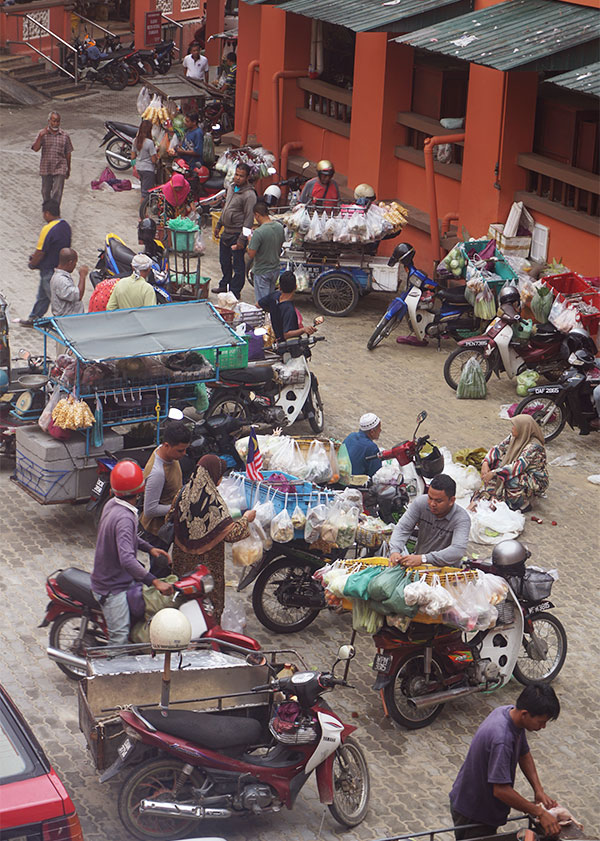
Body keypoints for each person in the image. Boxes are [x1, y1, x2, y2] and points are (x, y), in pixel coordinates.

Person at [449, 684, 561, 839]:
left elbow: (524, 753)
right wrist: (539, 812)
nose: (543, 726)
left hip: (479, 804)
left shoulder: (508, 712)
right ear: (525, 714)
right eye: (541, 722)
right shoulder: (502, 739)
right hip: (473, 811)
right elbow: (501, 790)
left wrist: (538, 790)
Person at [90, 460, 173, 645]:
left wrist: (149, 548)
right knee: (119, 640)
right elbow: (127, 559)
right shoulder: (125, 517)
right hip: (111, 588)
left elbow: (127, 539)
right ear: (140, 490)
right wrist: (155, 581)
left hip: (112, 578)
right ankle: (109, 673)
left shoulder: (112, 504)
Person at [170, 455, 256, 622]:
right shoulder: (214, 502)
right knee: (208, 605)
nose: (221, 479)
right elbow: (232, 534)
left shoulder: (183, 493)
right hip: (207, 566)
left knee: (184, 598)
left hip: (182, 560)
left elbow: (169, 516)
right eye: (220, 475)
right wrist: (246, 519)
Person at [469, 415, 549, 514]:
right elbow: (499, 448)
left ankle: (520, 503)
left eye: (515, 426)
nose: (512, 428)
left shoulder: (534, 447)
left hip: (535, 479)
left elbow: (518, 466)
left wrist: (494, 473)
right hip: (520, 470)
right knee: (495, 464)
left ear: (522, 428)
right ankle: (494, 494)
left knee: (512, 479)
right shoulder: (515, 436)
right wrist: (486, 462)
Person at [390, 474, 471, 568]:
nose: (432, 504)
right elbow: (402, 528)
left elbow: (457, 550)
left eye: (438, 501)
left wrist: (423, 559)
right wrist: (395, 551)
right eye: (430, 498)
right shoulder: (421, 503)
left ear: (451, 500)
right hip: (419, 566)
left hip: (447, 571)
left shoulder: (461, 519)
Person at [16, 199, 72, 327]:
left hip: (49, 270)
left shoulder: (48, 228)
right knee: (43, 296)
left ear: (47, 213)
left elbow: (40, 252)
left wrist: (32, 264)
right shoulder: (66, 226)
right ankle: (34, 318)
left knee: (54, 298)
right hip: (60, 267)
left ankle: (66, 323)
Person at [139, 421, 192, 552]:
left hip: (170, 523)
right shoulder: (157, 473)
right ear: (167, 445)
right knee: (159, 570)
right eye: (180, 450)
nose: (184, 453)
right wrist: (179, 507)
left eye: (186, 449)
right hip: (158, 532)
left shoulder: (166, 453)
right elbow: (150, 510)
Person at [213, 163, 256, 299]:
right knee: (224, 261)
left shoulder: (249, 195)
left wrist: (242, 240)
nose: (237, 178)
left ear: (247, 177)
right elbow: (226, 208)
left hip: (237, 234)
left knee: (238, 265)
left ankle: (235, 291)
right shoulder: (231, 188)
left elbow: (249, 219)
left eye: (241, 176)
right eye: (236, 174)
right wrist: (219, 225)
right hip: (226, 231)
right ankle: (224, 284)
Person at [259, 271, 316, 342]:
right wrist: (303, 330)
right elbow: (287, 334)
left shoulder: (274, 296)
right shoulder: (289, 310)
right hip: (283, 346)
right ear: (295, 287)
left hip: (274, 339)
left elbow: (258, 305)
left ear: (279, 287)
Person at [246, 201, 285, 303]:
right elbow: (280, 245)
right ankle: (271, 317)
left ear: (257, 215)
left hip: (262, 271)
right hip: (275, 269)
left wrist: (250, 241)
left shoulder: (259, 232)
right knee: (271, 299)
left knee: (263, 303)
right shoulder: (279, 227)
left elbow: (251, 254)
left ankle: (265, 318)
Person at [31, 111, 73, 206]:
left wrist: (68, 168)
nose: (56, 124)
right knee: (45, 191)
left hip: (60, 167)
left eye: (58, 121)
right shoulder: (42, 134)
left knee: (57, 192)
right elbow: (35, 149)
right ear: (49, 121)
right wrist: (41, 136)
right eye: (54, 121)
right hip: (46, 167)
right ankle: (47, 208)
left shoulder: (65, 136)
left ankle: (54, 212)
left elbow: (68, 153)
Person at [49, 248, 88, 317]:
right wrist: (82, 276)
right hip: (68, 319)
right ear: (70, 263)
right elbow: (78, 295)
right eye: (75, 263)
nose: (75, 266)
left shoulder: (57, 276)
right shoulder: (61, 280)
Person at [342, 413, 383, 478]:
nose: (380, 430)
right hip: (354, 483)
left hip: (341, 476)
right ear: (372, 432)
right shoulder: (371, 447)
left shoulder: (351, 436)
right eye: (379, 428)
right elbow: (376, 473)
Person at [132, 119, 157, 214]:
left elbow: (133, 157)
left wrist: (133, 167)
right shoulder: (149, 143)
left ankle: (143, 212)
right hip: (148, 170)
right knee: (145, 193)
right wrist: (156, 157)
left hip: (139, 168)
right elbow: (153, 160)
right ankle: (142, 214)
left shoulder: (135, 141)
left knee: (144, 188)